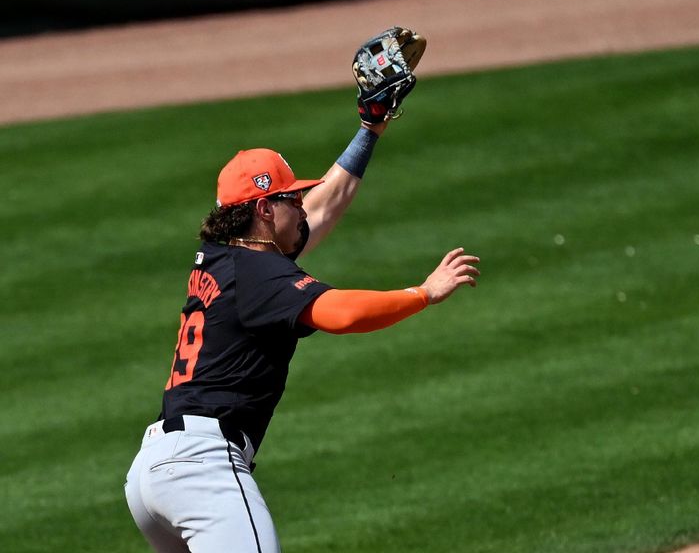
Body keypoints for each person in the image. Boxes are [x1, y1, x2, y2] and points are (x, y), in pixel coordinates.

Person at [123, 115, 480, 553]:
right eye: (290, 197)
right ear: (264, 210)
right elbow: (343, 315)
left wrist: (369, 132)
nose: (301, 203)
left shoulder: (221, 256)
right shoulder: (260, 274)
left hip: (151, 474)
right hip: (202, 468)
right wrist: (422, 293)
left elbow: (321, 210)